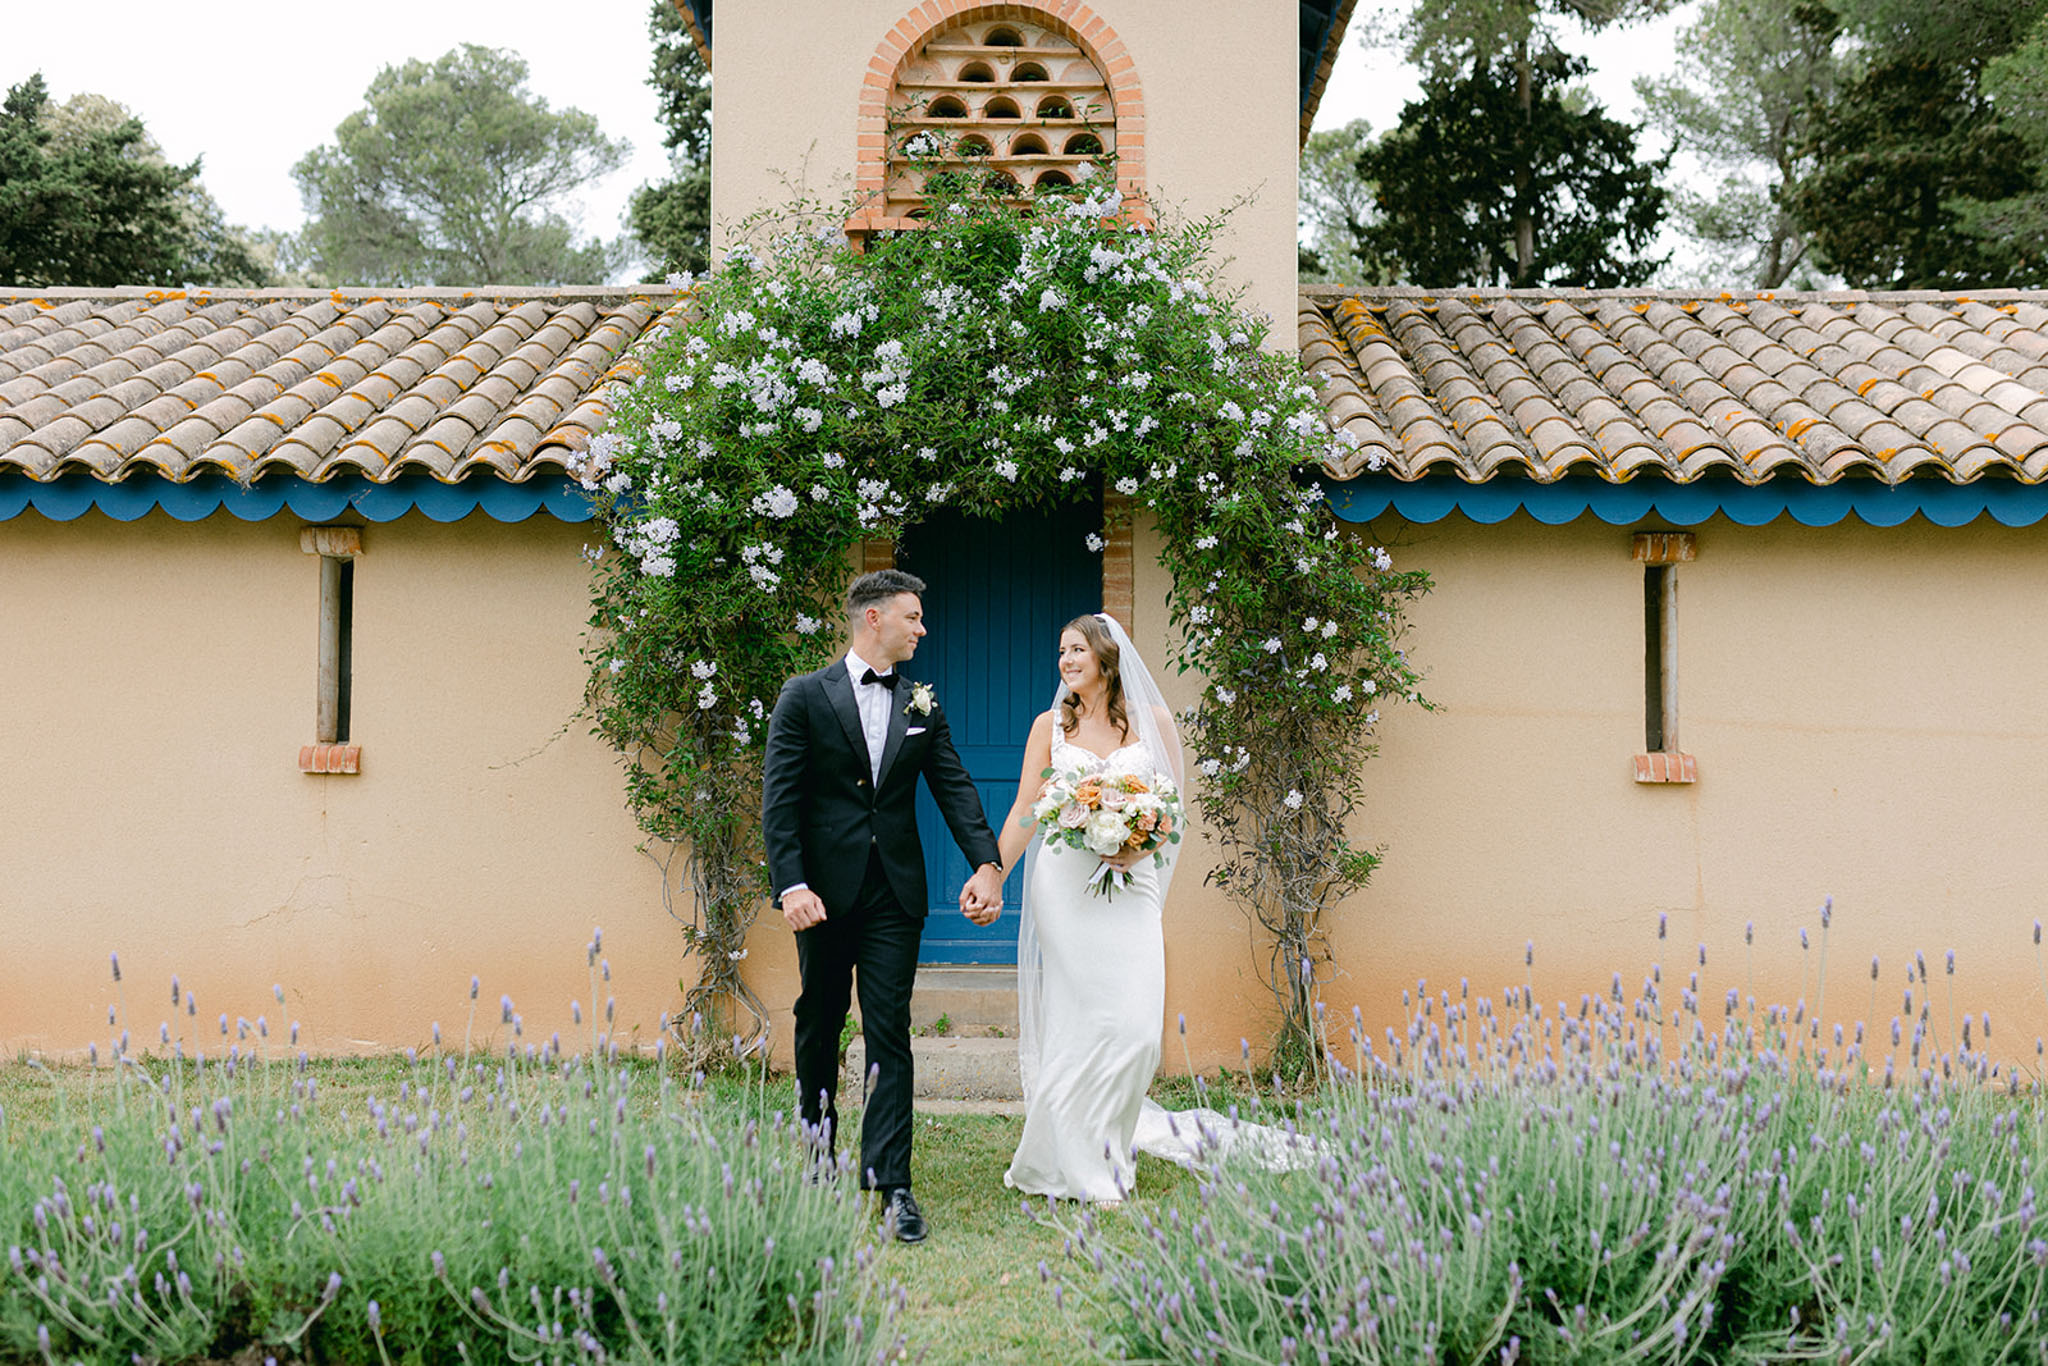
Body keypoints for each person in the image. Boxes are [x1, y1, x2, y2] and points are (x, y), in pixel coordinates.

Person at [762, 568, 1005, 1243]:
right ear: (874, 619)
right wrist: (792, 885)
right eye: (913, 617)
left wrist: (986, 862)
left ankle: (891, 1183)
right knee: (819, 1020)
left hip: (895, 892)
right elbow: (780, 802)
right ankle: (816, 1154)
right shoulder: (805, 696)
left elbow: (953, 783)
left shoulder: (921, 701)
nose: (922, 628)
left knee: (889, 1030)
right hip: (822, 896)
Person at [992, 612, 1182, 1204]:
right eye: (1061, 652)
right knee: (1079, 1024)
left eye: (1076, 650)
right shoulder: (1050, 726)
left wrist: (1138, 841)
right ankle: (1079, 1165)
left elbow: (1172, 810)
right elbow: (1028, 808)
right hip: (1065, 887)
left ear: (1105, 657)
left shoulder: (1153, 723)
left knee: (1137, 1033)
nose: (1066, 661)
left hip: (1133, 886)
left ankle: (1107, 1141)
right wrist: (993, 874)